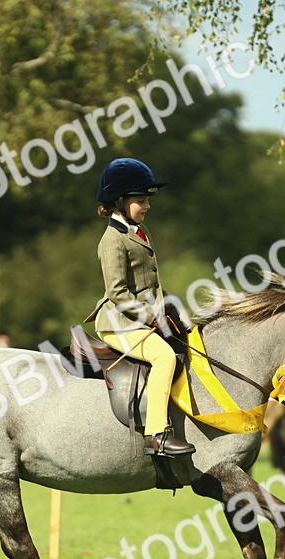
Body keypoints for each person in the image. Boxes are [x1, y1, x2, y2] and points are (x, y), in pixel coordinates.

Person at [85, 157, 194, 457]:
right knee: (163, 357)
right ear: (119, 202)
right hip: (117, 321)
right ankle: (156, 435)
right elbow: (118, 293)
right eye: (140, 200)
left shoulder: (140, 231)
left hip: (141, 318)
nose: (147, 206)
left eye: (147, 200)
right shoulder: (113, 240)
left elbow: (152, 285)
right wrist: (153, 317)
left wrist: (174, 311)